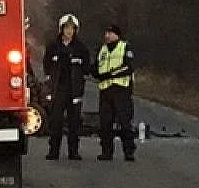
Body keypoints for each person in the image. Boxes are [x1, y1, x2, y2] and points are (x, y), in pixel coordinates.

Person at [42, 13, 91, 160]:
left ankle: (73, 151)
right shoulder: (53, 46)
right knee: (55, 121)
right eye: (66, 28)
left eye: (72, 28)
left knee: (74, 122)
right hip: (58, 90)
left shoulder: (81, 48)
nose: (69, 31)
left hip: (74, 91)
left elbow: (86, 68)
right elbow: (47, 66)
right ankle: (53, 150)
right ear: (61, 29)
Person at [93, 24, 136, 161]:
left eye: (110, 33)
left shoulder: (124, 47)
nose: (107, 35)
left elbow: (128, 68)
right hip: (105, 92)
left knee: (125, 123)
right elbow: (96, 68)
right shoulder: (102, 50)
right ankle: (106, 152)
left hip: (121, 90)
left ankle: (128, 151)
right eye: (106, 33)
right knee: (105, 123)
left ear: (117, 35)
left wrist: (109, 75)